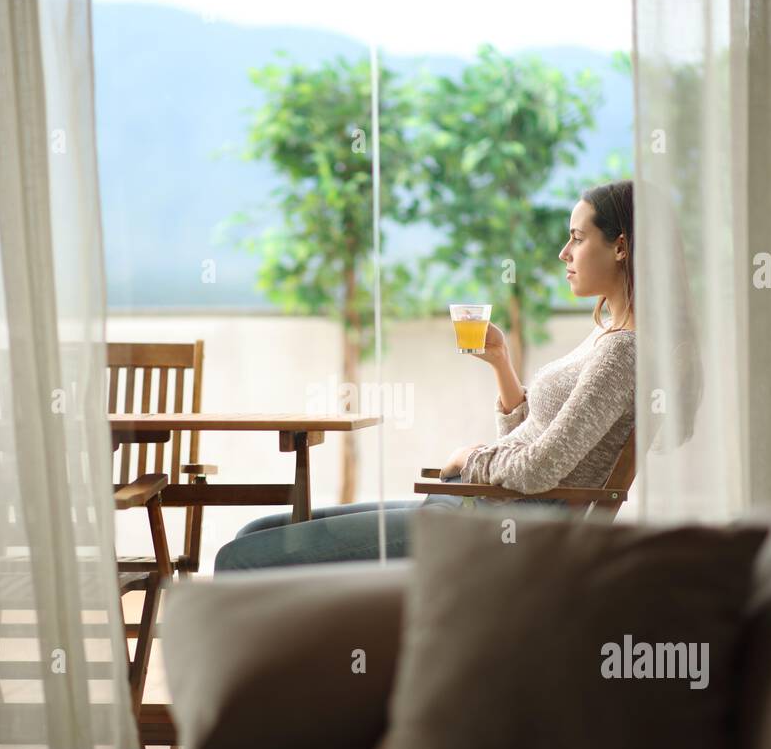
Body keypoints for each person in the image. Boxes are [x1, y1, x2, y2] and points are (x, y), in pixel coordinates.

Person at [213, 179, 638, 572]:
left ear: (620, 248)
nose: (564, 252)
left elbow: (540, 472)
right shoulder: (606, 335)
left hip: (485, 525)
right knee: (256, 533)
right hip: (472, 507)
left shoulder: (621, 352)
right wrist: (501, 364)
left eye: (578, 239)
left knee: (241, 558)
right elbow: (534, 438)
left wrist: (468, 459)